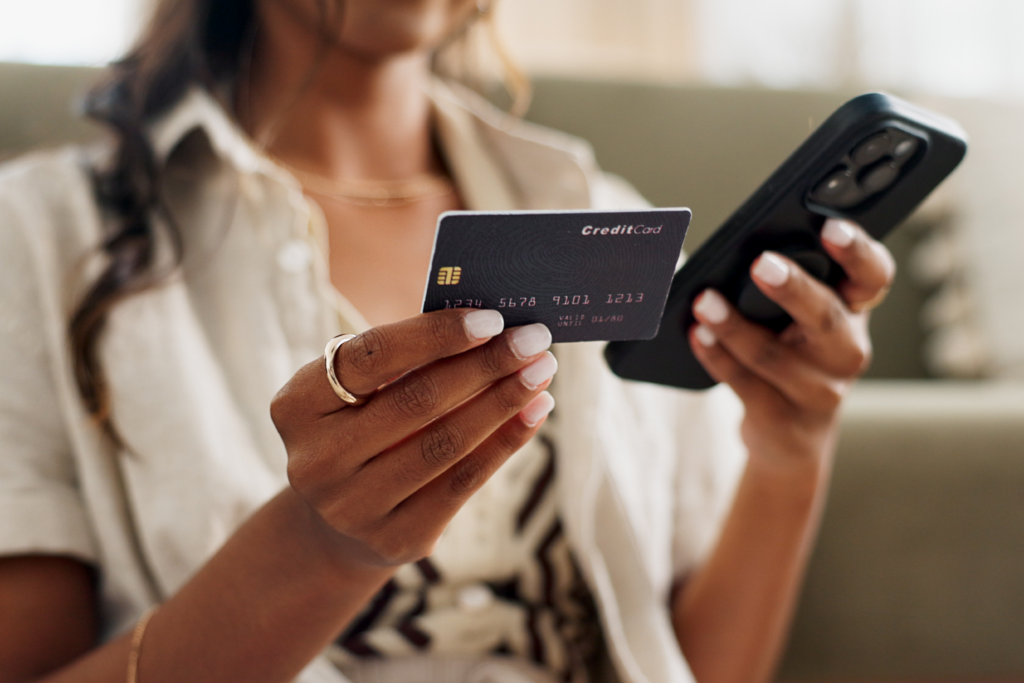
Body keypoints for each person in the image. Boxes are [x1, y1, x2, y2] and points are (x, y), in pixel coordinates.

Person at [0, 1, 895, 682]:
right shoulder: (40, 238)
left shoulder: (610, 222)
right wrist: (319, 546)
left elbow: (690, 662)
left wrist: (789, 451)